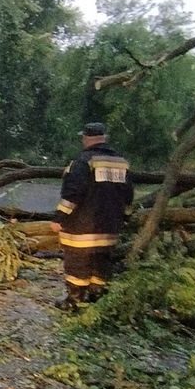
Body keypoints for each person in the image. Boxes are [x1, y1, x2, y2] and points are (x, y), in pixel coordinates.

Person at [50, 122, 134, 310]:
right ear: (105, 138)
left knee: (77, 262)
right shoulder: (121, 162)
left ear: (87, 138)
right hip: (110, 226)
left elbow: (73, 193)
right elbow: (128, 194)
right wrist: (125, 218)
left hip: (82, 227)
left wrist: (59, 218)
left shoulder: (83, 161)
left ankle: (74, 300)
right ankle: (97, 298)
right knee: (101, 262)